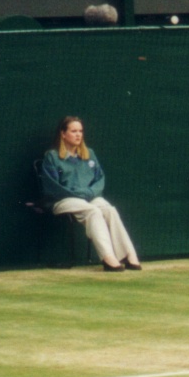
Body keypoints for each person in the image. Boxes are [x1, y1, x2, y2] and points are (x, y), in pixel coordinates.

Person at [40, 116, 142, 272]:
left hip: (89, 198)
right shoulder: (52, 156)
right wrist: (79, 194)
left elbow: (99, 179)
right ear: (63, 133)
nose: (78, 135)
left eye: (80, 131)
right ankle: (108, 259)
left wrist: (88, 193)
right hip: (62, 201)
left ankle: (129, 256)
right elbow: (52, 187)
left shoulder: (90, 154)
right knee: (93, 211)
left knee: (109, 210)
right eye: (73, 131)